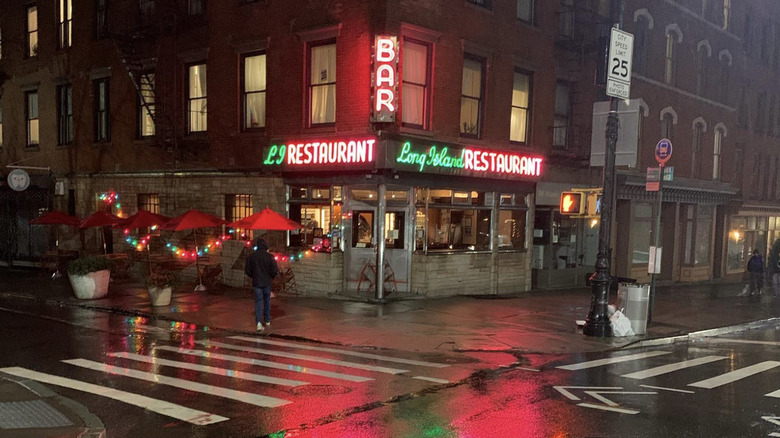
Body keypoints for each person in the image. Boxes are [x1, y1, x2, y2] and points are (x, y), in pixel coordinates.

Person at [244, 238, 279, 331]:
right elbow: (275, 270)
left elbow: (247, 270)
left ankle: (258, 322)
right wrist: (271, 277)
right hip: (267, 282)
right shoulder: (269, 257)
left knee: (258, 302)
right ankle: (267, 320)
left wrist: (253, 276)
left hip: (257, 282)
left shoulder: (252, 257)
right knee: (267, 301)